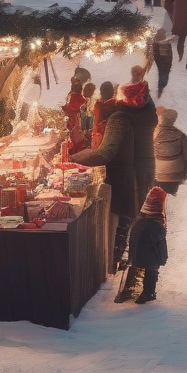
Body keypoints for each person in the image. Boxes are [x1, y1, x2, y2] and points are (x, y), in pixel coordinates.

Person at [72, 69, 158, 271]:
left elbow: (106, 153)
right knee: (133, 216)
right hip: (145, 170)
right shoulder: (148, 114)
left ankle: (114, 260)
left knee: (120, 220)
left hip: (124, 176)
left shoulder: (120, 119)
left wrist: (76, 158)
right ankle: (128, 256)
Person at [114, 185, 168, 305]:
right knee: (152, 270)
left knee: (145, 268)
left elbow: (130, 238)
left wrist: (128, 257)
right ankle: (148, 293)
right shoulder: (157, 226)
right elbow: (160, 245)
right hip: (149, 257)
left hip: (136, 256)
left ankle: (130, 290)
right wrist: (163, 258)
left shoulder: (138, 222)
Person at [152, 107, 187, 193]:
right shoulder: (181, 135)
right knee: (171, 195)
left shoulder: (154, 133)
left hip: (159, 175)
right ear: (173, 121)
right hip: (176, 176)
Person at [92, 81, 118, 148]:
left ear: (101, 92)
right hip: (114, 134)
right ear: (112, 92)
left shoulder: (98, 105)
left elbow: (96, 122)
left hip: (102, 135)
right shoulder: (117, 104)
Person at [151, 29, 174, 97]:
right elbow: (169, 52)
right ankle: (160, 88)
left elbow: (169, 51)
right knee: (163, 73)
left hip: (163, 60)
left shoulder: (161, 41)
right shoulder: (162, 42)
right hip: (164, 60)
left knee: (162, 73)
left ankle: (160, 87)